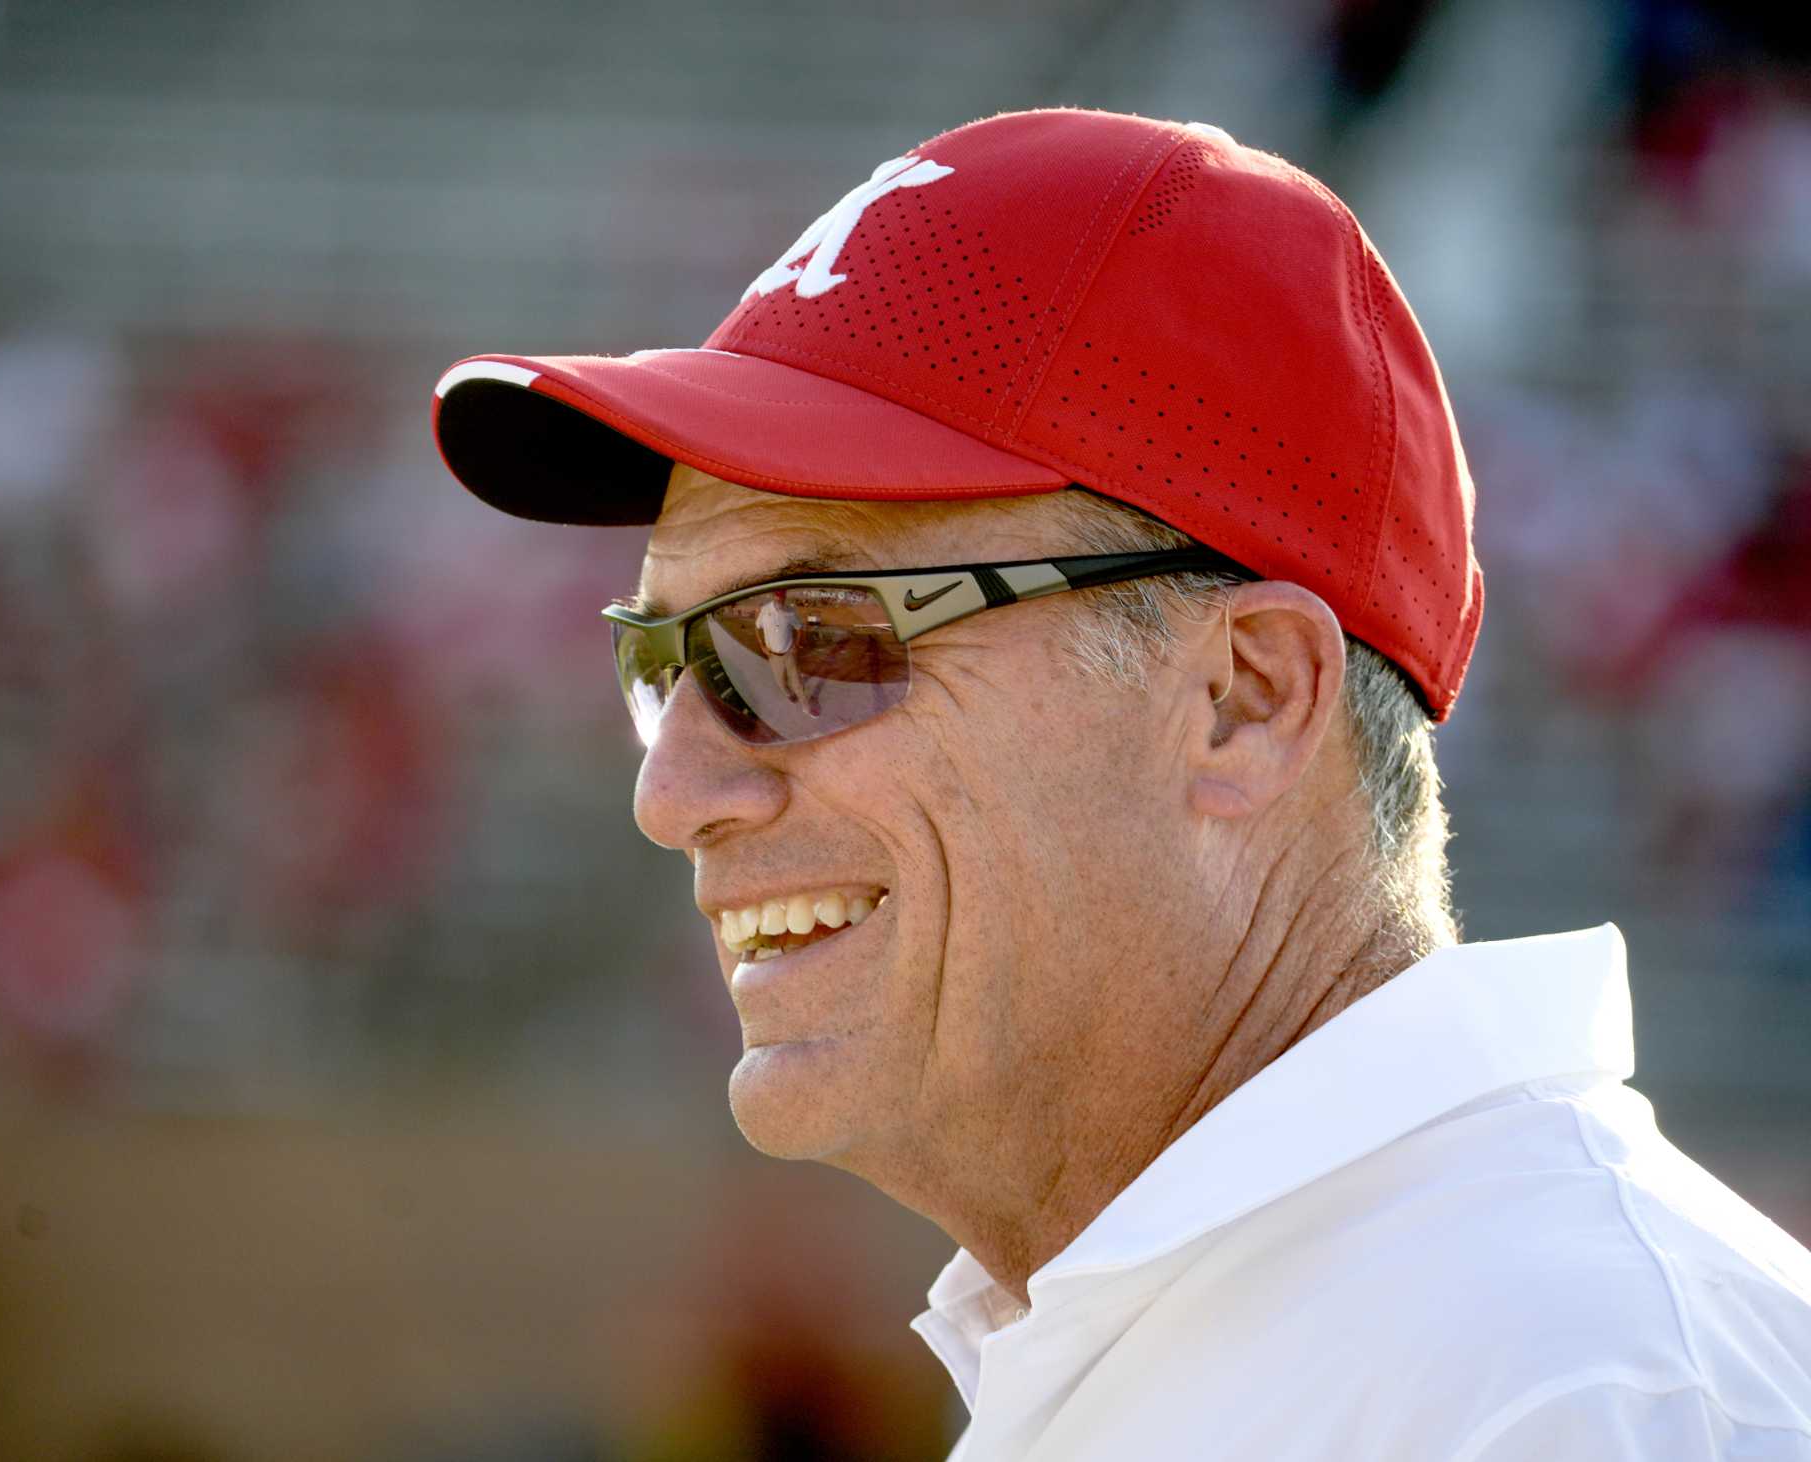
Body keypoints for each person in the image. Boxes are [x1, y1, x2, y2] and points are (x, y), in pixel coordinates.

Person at [429, 109, 1811, 1459]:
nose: (673, 792)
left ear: (1244, 700)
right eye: (664, 660)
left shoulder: (1586, 1399)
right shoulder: (1277, 1334)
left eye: (806, 639)